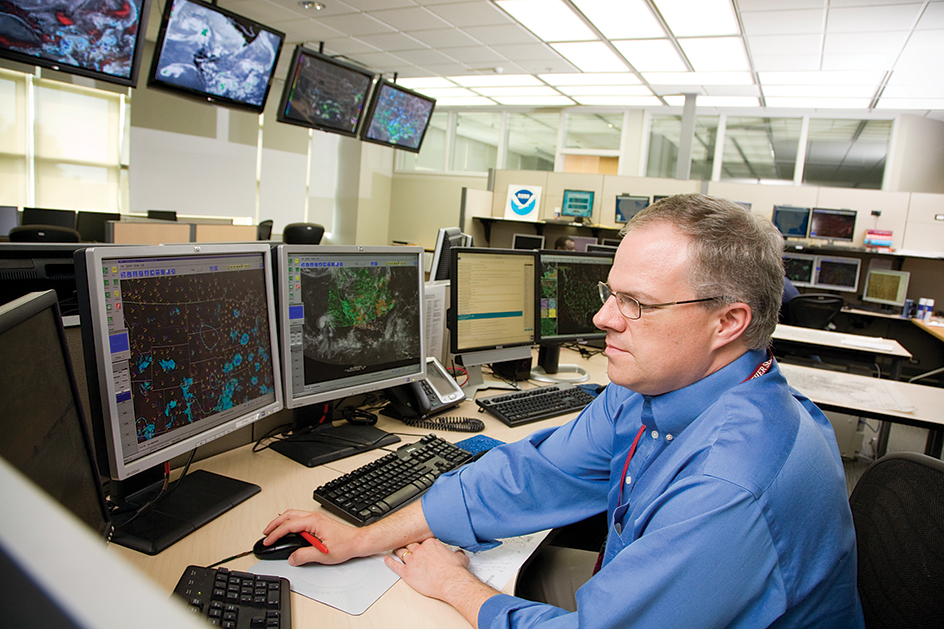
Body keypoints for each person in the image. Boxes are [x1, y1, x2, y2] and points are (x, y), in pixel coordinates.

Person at [262, 194, 864, 629]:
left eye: (637, 304)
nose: (603, 320)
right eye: (611, 293)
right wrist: (366, 537)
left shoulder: (733, 482)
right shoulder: (655, 390)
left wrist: (455, 585)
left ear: (728, 322)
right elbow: (529, 477)